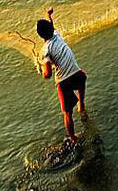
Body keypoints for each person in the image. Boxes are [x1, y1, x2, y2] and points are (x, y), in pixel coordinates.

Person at [36, 8, 87, 142]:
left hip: (63, 80)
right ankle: (81, 105)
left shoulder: (45, 50)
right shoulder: (57, 34)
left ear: (41, 36)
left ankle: (73, 138)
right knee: (82, 77)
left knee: (67, 113)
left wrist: (42, 72)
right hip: (75, 72)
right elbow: (51, 25)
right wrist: (49, 15)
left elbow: (48, 74)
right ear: (51, 30)